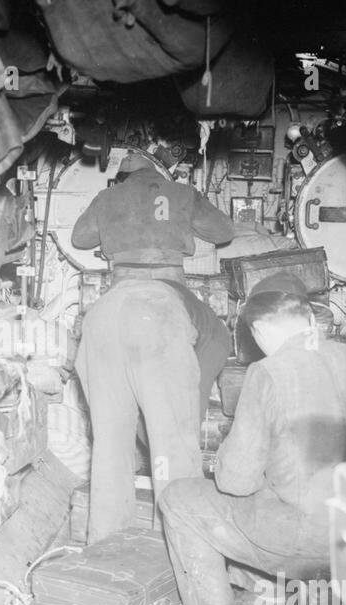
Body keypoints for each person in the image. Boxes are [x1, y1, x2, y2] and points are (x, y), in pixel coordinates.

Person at [156, 286, 346, 605]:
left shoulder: (268, 371)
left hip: (307, 538)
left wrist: (224, 458)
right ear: (311, 318)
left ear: (260, 333)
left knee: (181, 499)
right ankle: (272, 596)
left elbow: (235, 482)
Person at [71, 153, 235, 543]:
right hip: (164, 298)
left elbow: (79, 238)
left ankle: (105, 546)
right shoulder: (180, 191)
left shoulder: (107, 198)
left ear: (121, 178)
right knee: (175, 442)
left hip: (106, 312)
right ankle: (180, 545)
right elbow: (224, 231)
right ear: (156, 172)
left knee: (109, 444)